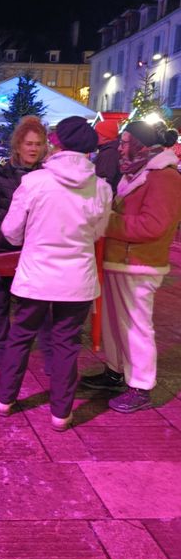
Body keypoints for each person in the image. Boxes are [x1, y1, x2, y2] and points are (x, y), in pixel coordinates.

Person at [0, 116, 112, 431]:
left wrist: (30, 239)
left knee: (20, 338)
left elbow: (10, 231)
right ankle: (61, 413)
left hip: (35, 277)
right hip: (77, 281)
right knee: (66, 344)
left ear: (57, 143)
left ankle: (5, 400)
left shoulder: (34, 183)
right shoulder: (101, 188)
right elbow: (98, 232)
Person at [81, 121, 181, 412]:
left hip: (139, 265)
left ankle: (141, 385)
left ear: (141, 144)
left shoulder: (164, 178)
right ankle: (115, 371)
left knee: (136, 325)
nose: (121, 147)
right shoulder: (136, 172)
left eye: (125, 142)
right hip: (119, 260)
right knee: (115, 324)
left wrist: (107, 221)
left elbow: (155, 225)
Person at [0, 116, 48, 368]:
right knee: (0, 301)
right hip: (3, 250)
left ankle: (26, 348)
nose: (33, 148)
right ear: (18, 145)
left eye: (38, 144)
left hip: (34, 253)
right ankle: (2, 346)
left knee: (33, 306)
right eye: (28, 143)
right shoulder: (2, 177)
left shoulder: (47, 178)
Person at [94, 119, 121, 195]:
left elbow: (104, 179)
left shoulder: (108, 153)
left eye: (97, 133)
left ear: (105, 136)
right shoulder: (111, 150)